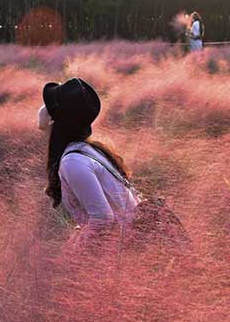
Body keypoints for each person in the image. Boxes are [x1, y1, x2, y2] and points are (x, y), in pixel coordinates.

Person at [38, 78, 190, 249]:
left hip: (124, 251)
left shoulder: (73, 162)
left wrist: (72, 252)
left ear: (53, 120)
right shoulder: (86, 150)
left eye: (48, 105)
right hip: (126, 244)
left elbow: (103, 220)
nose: (42, 108)